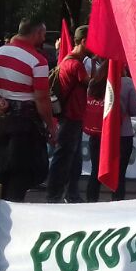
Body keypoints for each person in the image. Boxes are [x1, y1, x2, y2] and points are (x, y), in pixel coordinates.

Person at [0, 19, 57, 202]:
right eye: (43, 34)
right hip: (25, 126)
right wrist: (51, 126)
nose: (44, 38)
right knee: (19, 177)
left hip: (1, 122)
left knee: (1, 175)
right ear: (35, 34)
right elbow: (41, 98)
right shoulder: (38, 60)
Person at [83, 66, 136, 201]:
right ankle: (116, 207)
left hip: (99, 133)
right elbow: (135, 109)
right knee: (119, 175)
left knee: (95, 171)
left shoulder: (94, 82)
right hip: (122, 135)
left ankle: (90, 205)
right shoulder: (127, 83)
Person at [47, 26, 91, 203]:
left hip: (71, 117)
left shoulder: (68, 61)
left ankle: (68, 194)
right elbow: (94, 86)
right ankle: (56, 195)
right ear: (83, 41)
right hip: (71, 117)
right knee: (64, 158)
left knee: (72, 159)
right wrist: (108, 64)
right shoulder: (75, 65)